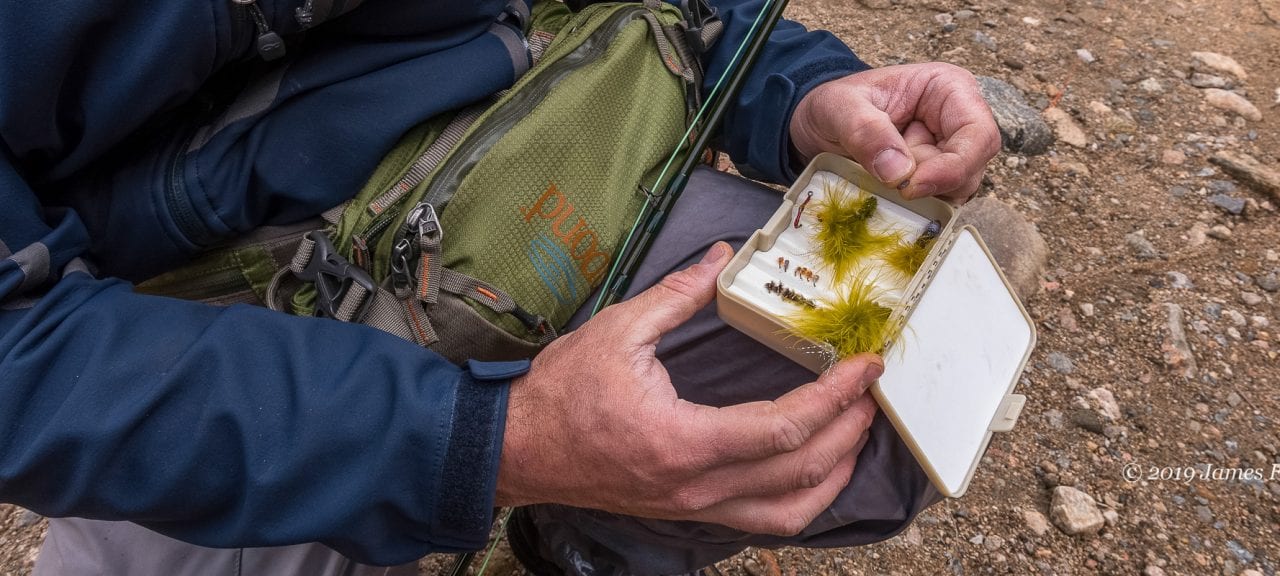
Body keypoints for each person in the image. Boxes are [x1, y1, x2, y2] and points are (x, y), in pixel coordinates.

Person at [0, 0, 999, 574]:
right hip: (217, 323)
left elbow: (677, 8)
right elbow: (18, 362)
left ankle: (564, 545)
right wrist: (486, 442)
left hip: (540, 160)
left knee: (873, 421)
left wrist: (792, 92)